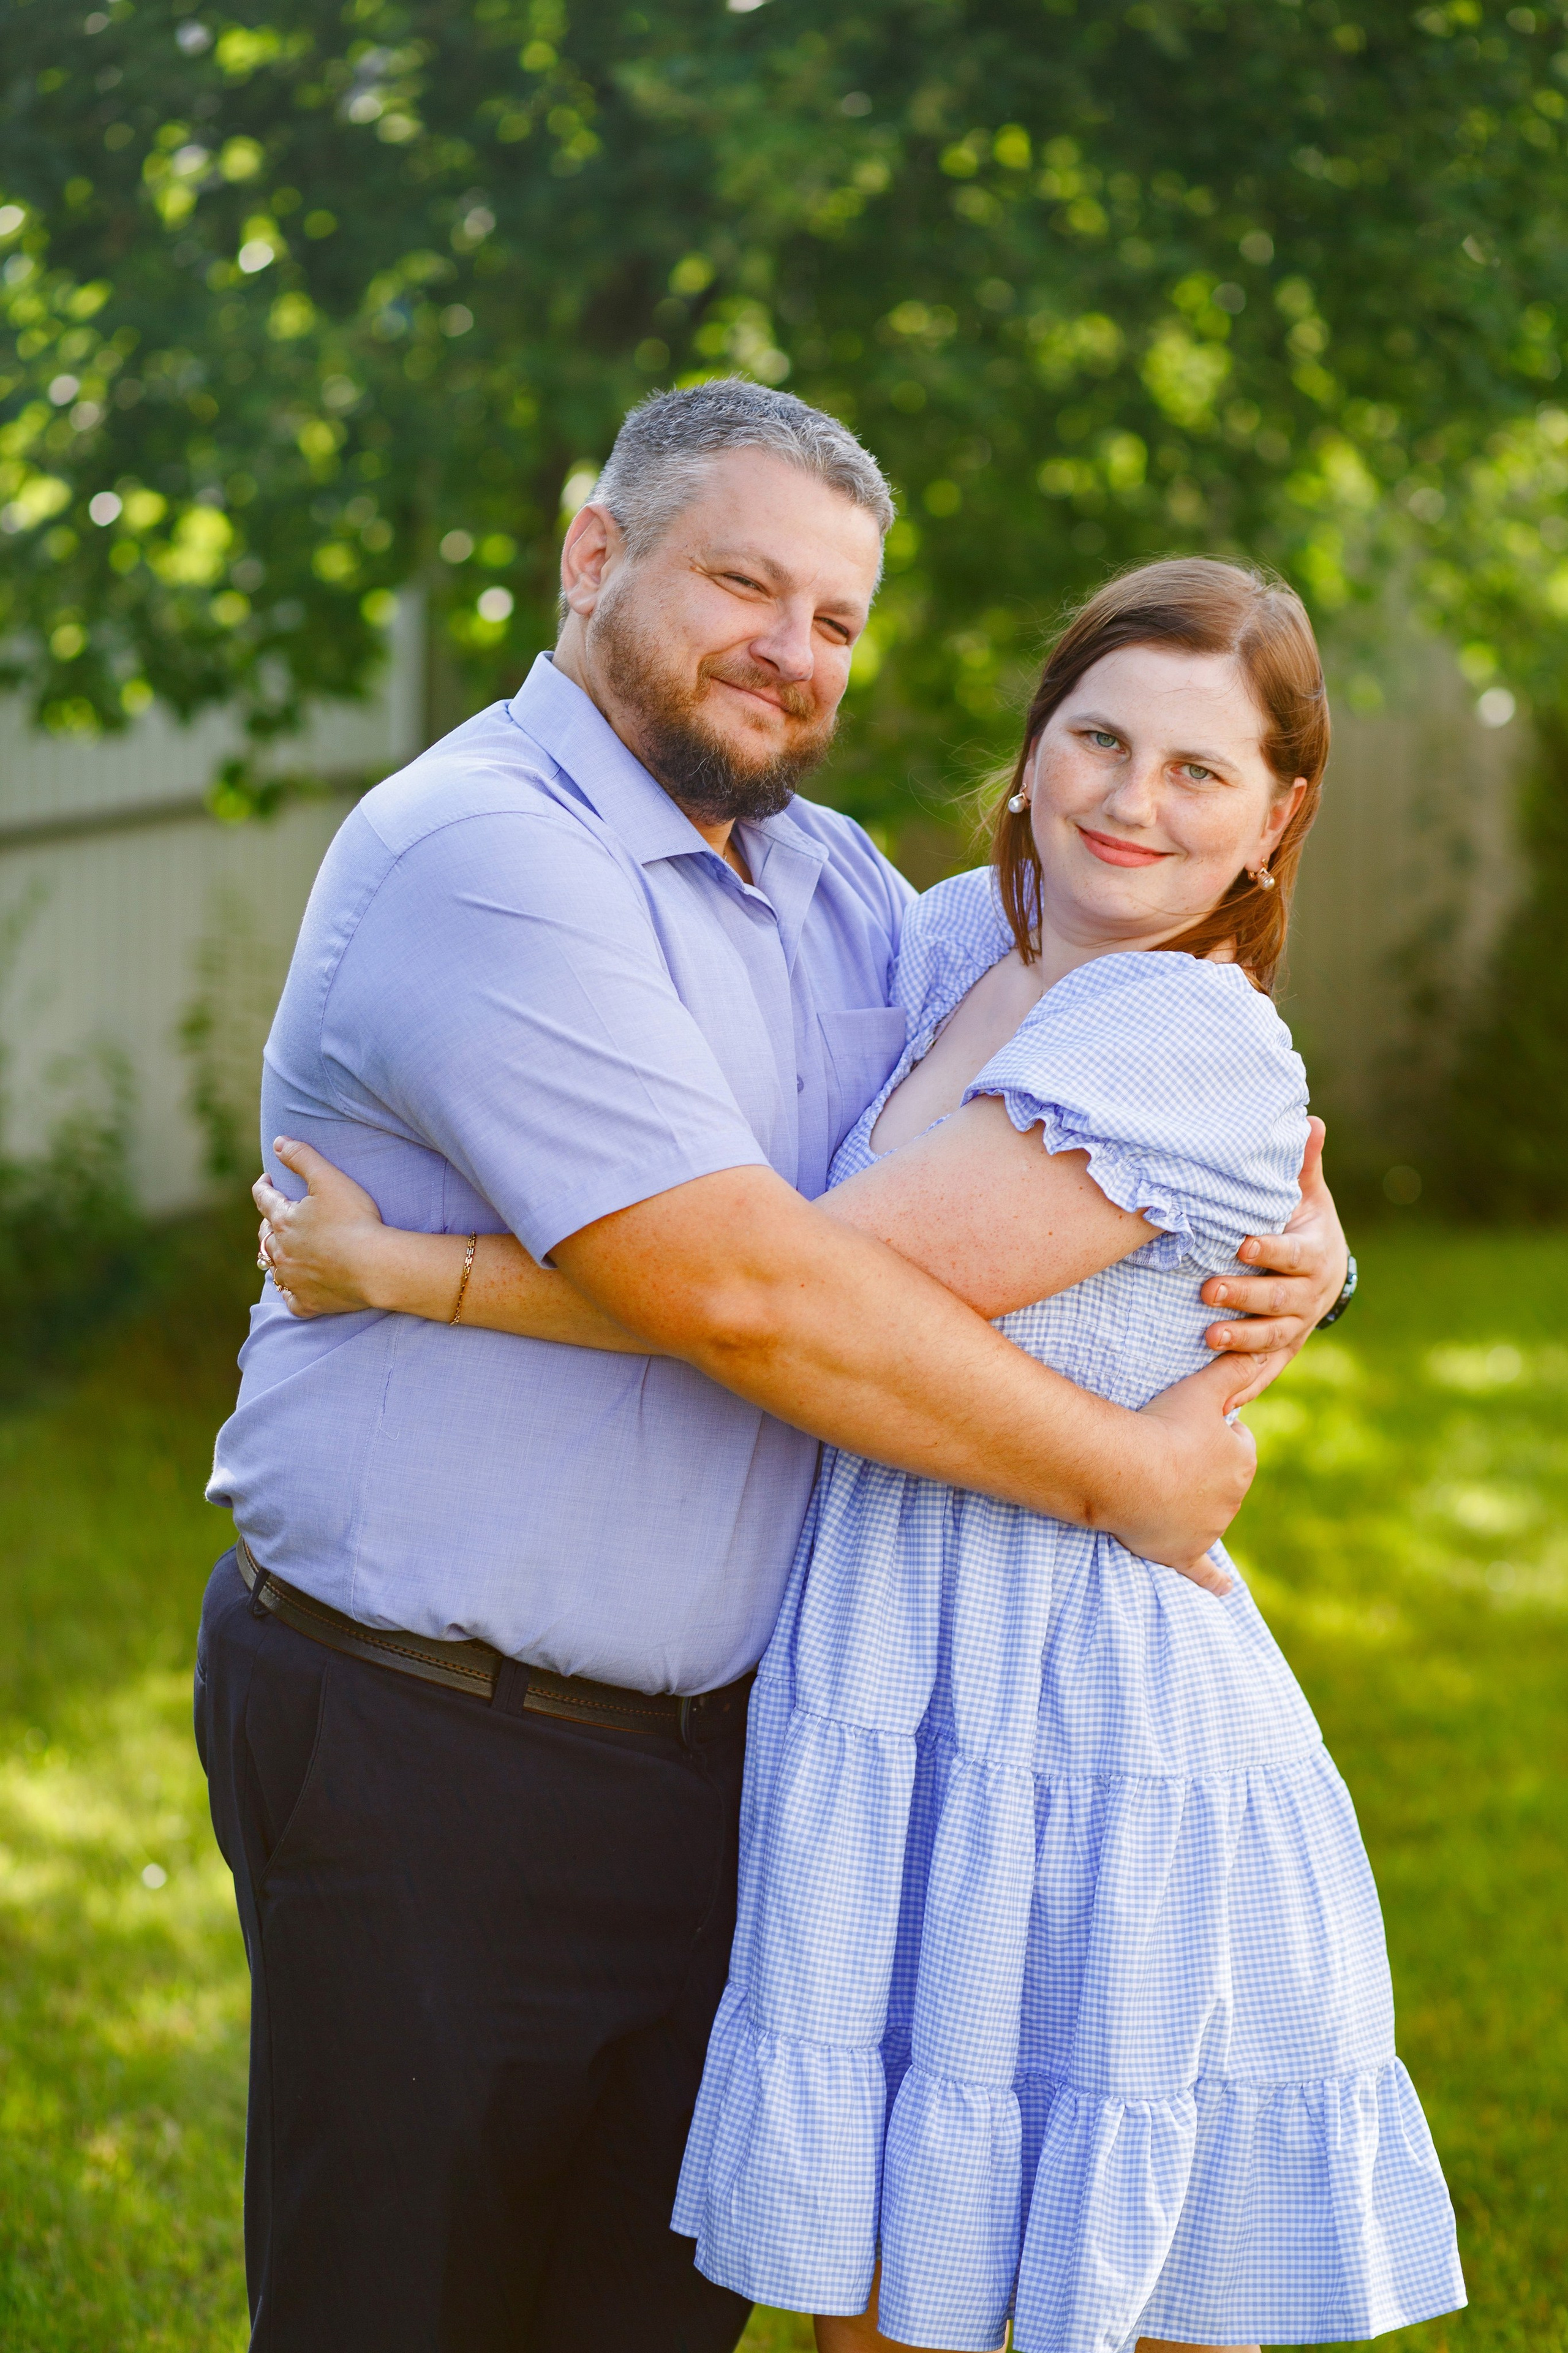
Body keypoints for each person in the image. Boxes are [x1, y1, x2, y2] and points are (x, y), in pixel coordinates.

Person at [212, 380, 1348, 2353]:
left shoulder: (832, 898)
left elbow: (1028, 1169)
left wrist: (1303, 1251)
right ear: (594, 556)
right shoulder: (491, 855)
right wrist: (1130, 1472)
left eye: (837, 618)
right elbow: (752, 1292)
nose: (790, 648)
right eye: (745, 580)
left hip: (767, 1763)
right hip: (439, 1746)